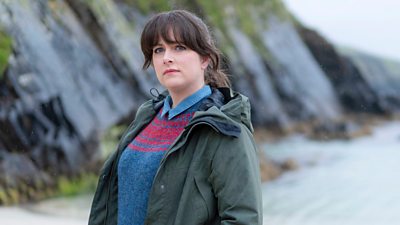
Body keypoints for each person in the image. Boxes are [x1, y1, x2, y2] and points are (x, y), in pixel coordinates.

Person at [88, 9, 262, 225]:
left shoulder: (224, 129)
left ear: (205, 59)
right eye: (159, 50)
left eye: (179, 47)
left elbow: (242, 220)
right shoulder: (147, 117)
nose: (167, 58)